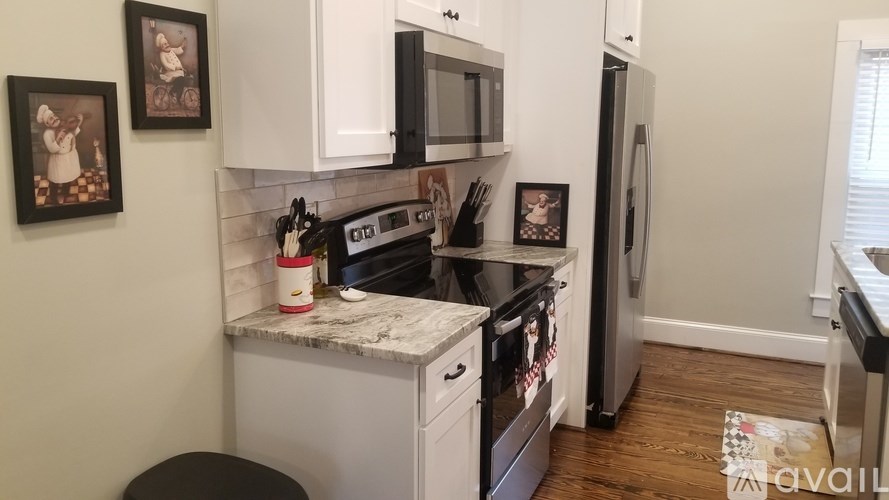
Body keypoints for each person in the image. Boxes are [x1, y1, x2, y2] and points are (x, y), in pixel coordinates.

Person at [36, 104, 83, 204]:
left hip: (70, 156)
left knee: (68, 176)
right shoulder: (47, 134)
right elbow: (51, 149)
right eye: (50, 119)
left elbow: (73, 132)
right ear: (47, 124)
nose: (54, 118)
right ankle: (53, 197)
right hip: (57, 159)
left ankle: (65, 192)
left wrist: (80, 122)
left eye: (53, 116)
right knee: (55, 180)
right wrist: (57, 139)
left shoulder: (64, 123)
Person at [156, 32, 188, 105]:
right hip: (170, 73)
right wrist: (177, 67)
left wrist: (182, 46)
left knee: (182, 82)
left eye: (167, 43)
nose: (167, 45)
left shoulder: (171, 50)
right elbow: (166, 65)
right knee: (180, 79)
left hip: (178, 72)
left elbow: (177, 50)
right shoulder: (162, 54)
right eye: (164, 44)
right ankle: (172, 92)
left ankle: (178, 98)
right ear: (161, 47)